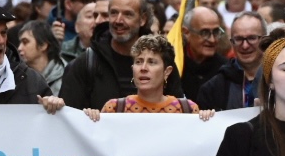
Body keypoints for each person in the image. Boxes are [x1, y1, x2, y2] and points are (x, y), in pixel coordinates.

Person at [61, 0, 169, 109]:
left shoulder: (162, 60)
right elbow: (69, 116)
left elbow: (178, 113)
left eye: (127, 14)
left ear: (142, 19)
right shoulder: (86, 63)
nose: (118, 20)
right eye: (113, 13)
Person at [83, 35, 215, 120]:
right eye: (139, 61)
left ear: (167, 72)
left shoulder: (188, 110)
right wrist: (89, 120)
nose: (143, 68)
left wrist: (207, 121)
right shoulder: (114, 109)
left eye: (152, 62)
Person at [196, 13, 267, 111]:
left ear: (265, 40)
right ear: (232, 42)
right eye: (238, 39)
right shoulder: (213, 88)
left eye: (251, 38)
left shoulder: (280, 79)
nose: (245, 46)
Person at [178, 6, 225, 102]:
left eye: (216, 32)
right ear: (186, 33)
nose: (212, 40)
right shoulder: (175, 66)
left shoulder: (225, 69)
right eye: (204, 32)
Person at [15, 19, 66, 96]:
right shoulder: (18, 76)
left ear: (43, 45)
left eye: (25, 42)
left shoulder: (66, 77)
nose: (19, 48)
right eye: (20, 43)